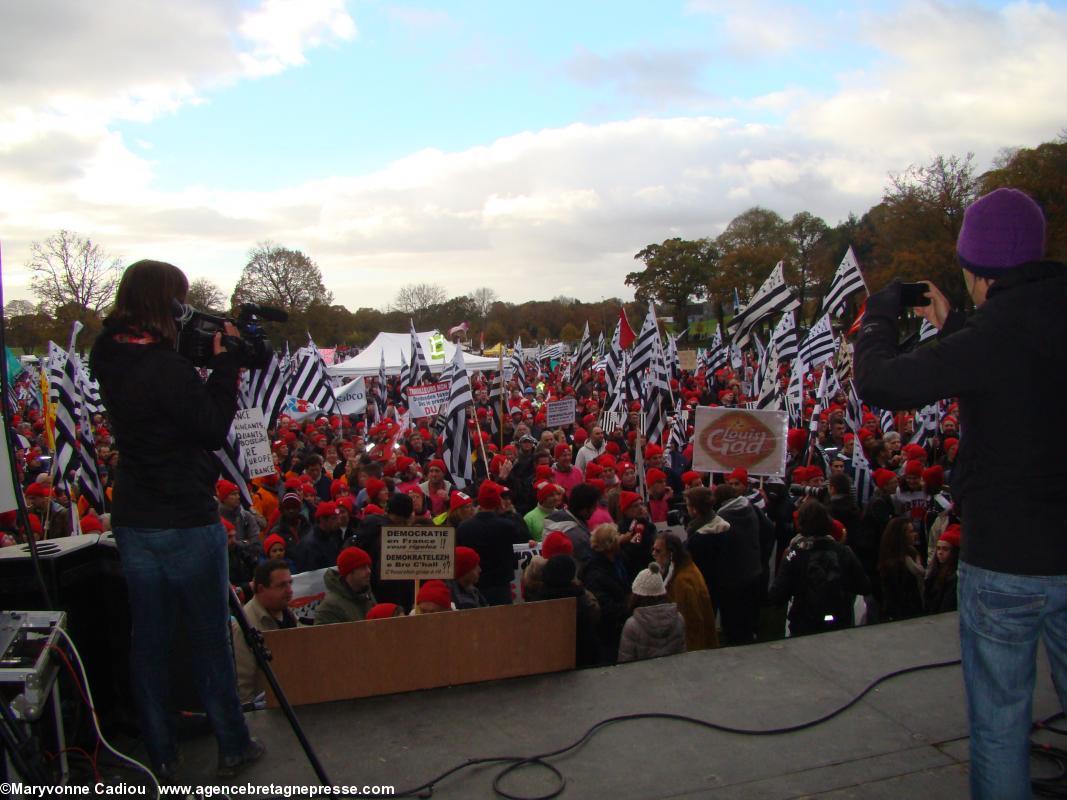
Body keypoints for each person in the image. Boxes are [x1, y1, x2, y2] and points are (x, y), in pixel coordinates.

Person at [854, 188, 1067, 799]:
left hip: (1007, 556)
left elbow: (880, 381)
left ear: (975, 270)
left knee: (1000, 727)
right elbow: (1018, 366)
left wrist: (878, 316)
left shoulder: (990, 339)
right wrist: (957, 324)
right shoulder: (1012, 328)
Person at [88, 259, 262, 779]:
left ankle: (160, 753)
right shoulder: (166, 368)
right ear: (164, 300)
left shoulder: (107, 352)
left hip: (135, 515)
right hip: (185, 515)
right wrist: (226, 365)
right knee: (209, 637)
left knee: (150, 640)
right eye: (177, 299)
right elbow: (210, 427)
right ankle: (233, 743)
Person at [768, 500, 871, 638]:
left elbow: (777, 595)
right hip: (839, 622)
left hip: (804, 625)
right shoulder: (844, 552)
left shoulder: (795, 554)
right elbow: (864, 586)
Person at [232, 559, 298, 706]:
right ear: (261, 589)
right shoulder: (245, 627)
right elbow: (243, 683)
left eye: (290, 583)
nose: (289, 591)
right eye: (281, 585)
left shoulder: (287, 614)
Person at [653, 532, 718, 651]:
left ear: (671, 554)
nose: (653, 554)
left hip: (694, 648)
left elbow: (692, 623)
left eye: (658, 551)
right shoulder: (684, 568)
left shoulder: (683, 582)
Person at [617, 562, 686, 663]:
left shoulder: (632, 626)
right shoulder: (679, 619)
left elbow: (625, 664)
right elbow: (683, 656)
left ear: (637, 595)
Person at [876, 518, 924, 622]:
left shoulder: (913, 554)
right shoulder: (894, 565)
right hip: (903, 616)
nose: (915, 534)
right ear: (902, 536)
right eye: (911, 531)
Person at [315, 546, 377, 625]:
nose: (369, 571)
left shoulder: (367, 596)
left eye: (369, 567)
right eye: (363, 567)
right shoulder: (329, 608)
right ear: (349, 572)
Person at [924, 523, 960, 615]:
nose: (940, 552)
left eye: (945, 549)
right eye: (938, 548)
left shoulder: (955, 577)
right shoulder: (935, 571)